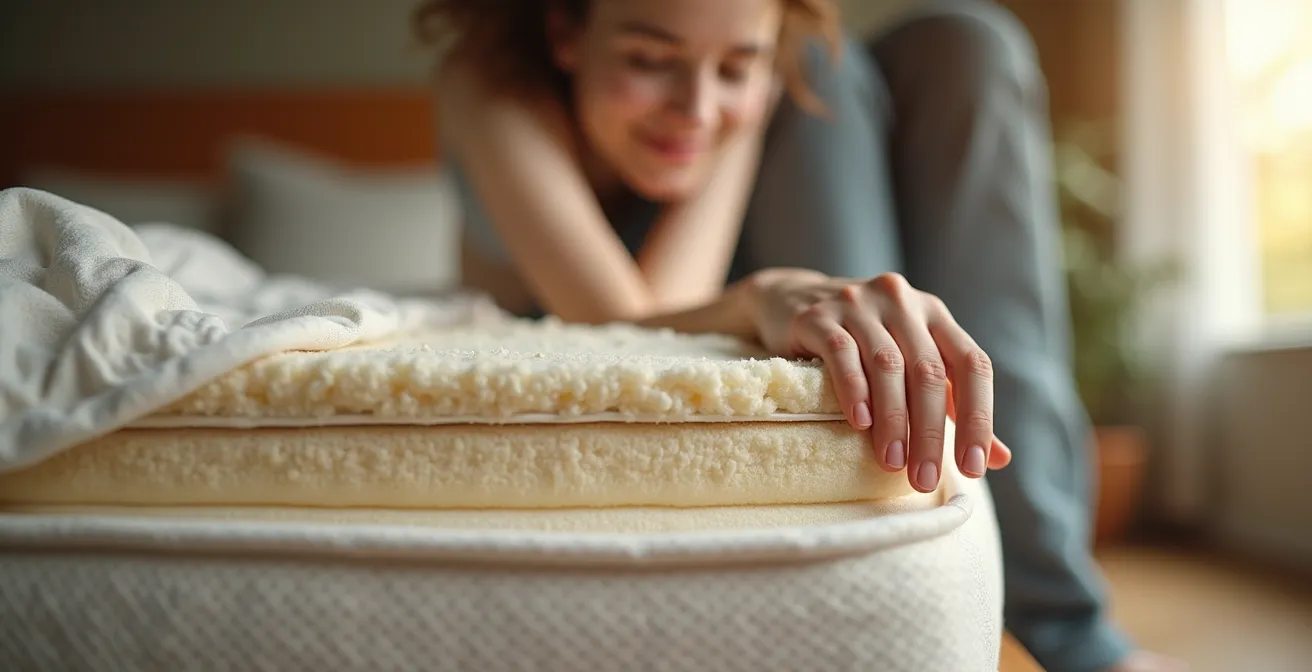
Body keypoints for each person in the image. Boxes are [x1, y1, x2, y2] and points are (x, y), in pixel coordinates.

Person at [413, 1, 1183, 670]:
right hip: (659, 304)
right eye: (650, 59)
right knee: (824, 70)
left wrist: (763, 91)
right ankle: (895, 529)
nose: (694, 108)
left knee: (969, 43)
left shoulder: (749, 88)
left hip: (778, 258)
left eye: (738, 63)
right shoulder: (489, 85)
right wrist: (771, 281)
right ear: (566, 32)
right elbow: (630, 325)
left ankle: (1066, 625)